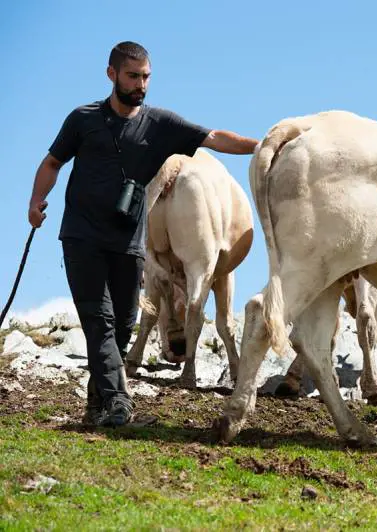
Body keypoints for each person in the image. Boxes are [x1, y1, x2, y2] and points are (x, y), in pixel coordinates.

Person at [27, 41, 259, 428]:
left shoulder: (159, 123)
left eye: (146, 77)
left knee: (121, 325)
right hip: (82, 237)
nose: (141, 84)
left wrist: (264, 145)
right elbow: (52, 162)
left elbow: (215, 137)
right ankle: (119, 401)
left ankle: (96, 406)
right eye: (133, 76)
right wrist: (36, 200)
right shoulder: (83, 119)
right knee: (99, 320)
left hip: (129, 244)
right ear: (112, 74)